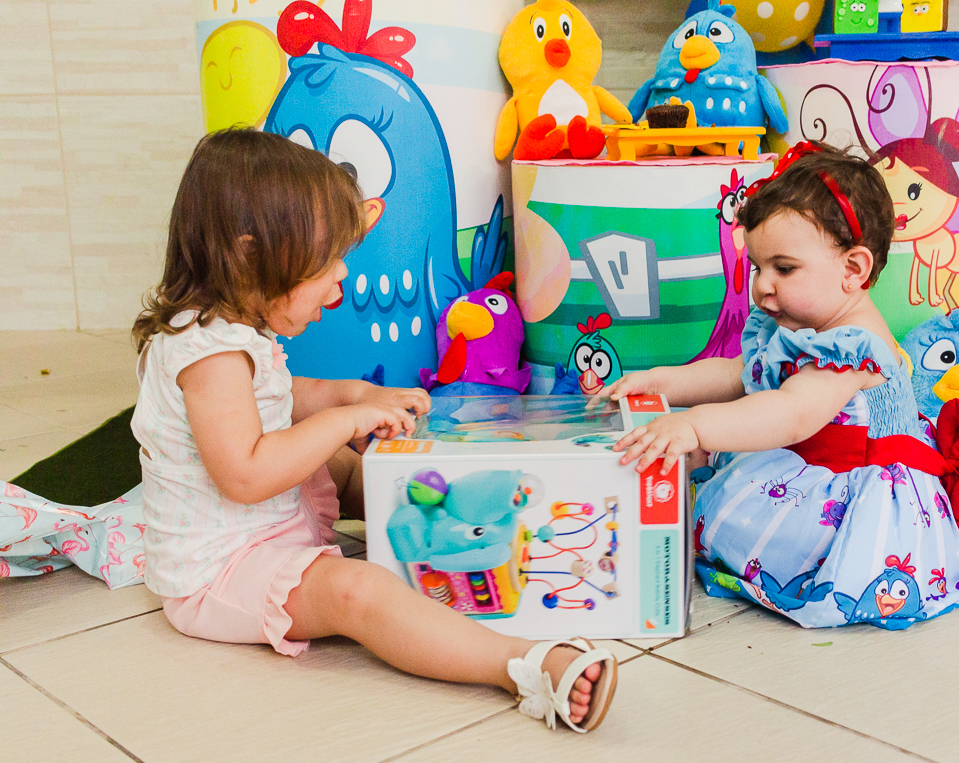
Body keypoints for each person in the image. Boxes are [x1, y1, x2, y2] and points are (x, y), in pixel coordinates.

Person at [129, 129, 616, 732]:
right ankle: (520, 665)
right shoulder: (207, 353)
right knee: (356, 590)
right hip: (223, 570)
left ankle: (441, 509)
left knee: (353, 466)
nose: (341, 275)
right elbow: (246, 474)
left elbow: (282, 395)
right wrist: (343, 420)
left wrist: (354, 396)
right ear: (252, 257)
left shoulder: (237, 333)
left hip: (264, 522)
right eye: (325, 261)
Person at [609, 140, 959, 630]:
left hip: (856, 492)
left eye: (783, 268)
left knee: (732, 491)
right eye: (757, 267)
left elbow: (791, 414)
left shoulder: (855, 347)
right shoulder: (802, 325)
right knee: (717, 454)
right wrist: (661, 381)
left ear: (853, 269)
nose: (762, 285)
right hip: (813, 459)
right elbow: (735, 374)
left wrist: (695, 426)